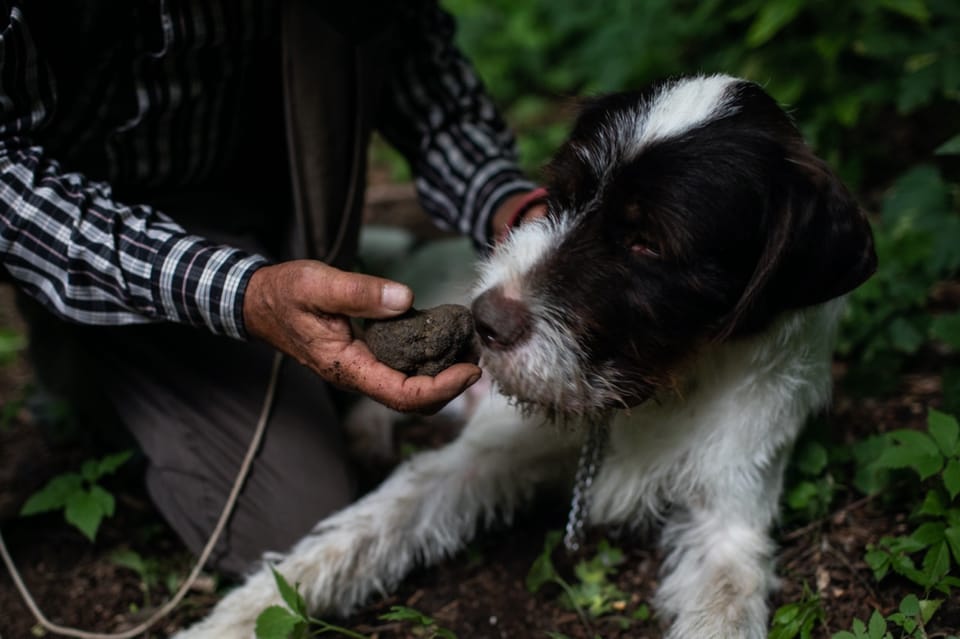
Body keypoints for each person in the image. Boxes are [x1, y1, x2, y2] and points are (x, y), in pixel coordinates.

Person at [0, 0, 545, 576]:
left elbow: (418, 69)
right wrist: (244, 295)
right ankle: (85, 341)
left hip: (271, 194)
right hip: (83, 216)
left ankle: (327, 270)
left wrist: (509, 202)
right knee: (289, 529)